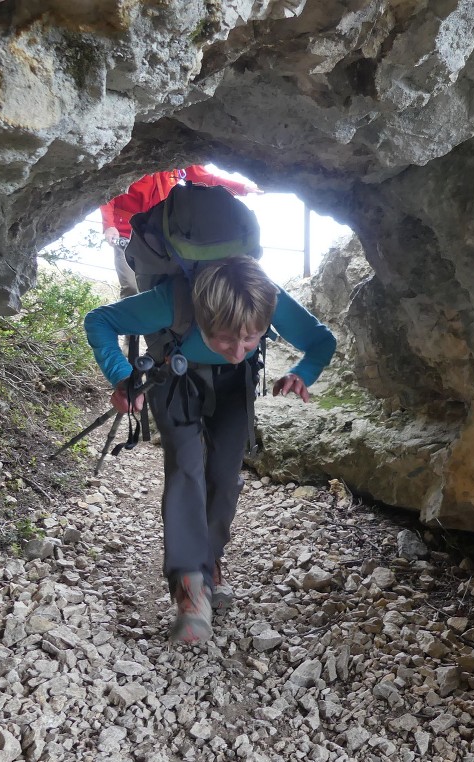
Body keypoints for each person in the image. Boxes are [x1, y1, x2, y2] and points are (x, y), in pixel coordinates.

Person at [84, 255, 336, 644]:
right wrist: (123, 376)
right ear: (202, 315)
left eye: (250, 338)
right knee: (186, 471)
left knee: (223, 473)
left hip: (235, 384)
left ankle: (208, 560)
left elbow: (321, 341)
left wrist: (302, 374)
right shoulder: (173, 301)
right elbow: (99, 320)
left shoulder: (267, 298)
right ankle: (190, 589)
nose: (237, 348)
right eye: (223, 338)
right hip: (174, 377)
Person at [100, 166, 260, 297]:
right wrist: (109, 225)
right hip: (126, 233)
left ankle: (166, 333)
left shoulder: (174, 160)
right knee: (132, 289)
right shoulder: (134, 160)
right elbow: (107, 191)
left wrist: (243, 188)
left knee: (169, 289)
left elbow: (206, 178)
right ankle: (131, 336)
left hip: (164, 236)